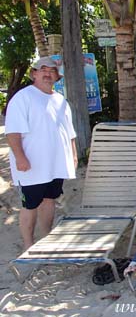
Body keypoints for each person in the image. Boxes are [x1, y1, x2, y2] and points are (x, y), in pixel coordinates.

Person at [5, 56, 78, 250]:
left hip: (55, 165)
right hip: (31, 166)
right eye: (42, 69)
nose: (47, 73)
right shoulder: (23, 97)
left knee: (49, 201)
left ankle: (46, 239)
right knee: (30, 205)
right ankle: (29, 245)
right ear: (34, 74)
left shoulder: (60, 100)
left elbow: (69, 132)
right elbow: (13, 131)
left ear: (56, 76)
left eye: (52, 70)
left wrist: (73, 155)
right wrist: (20, 157)